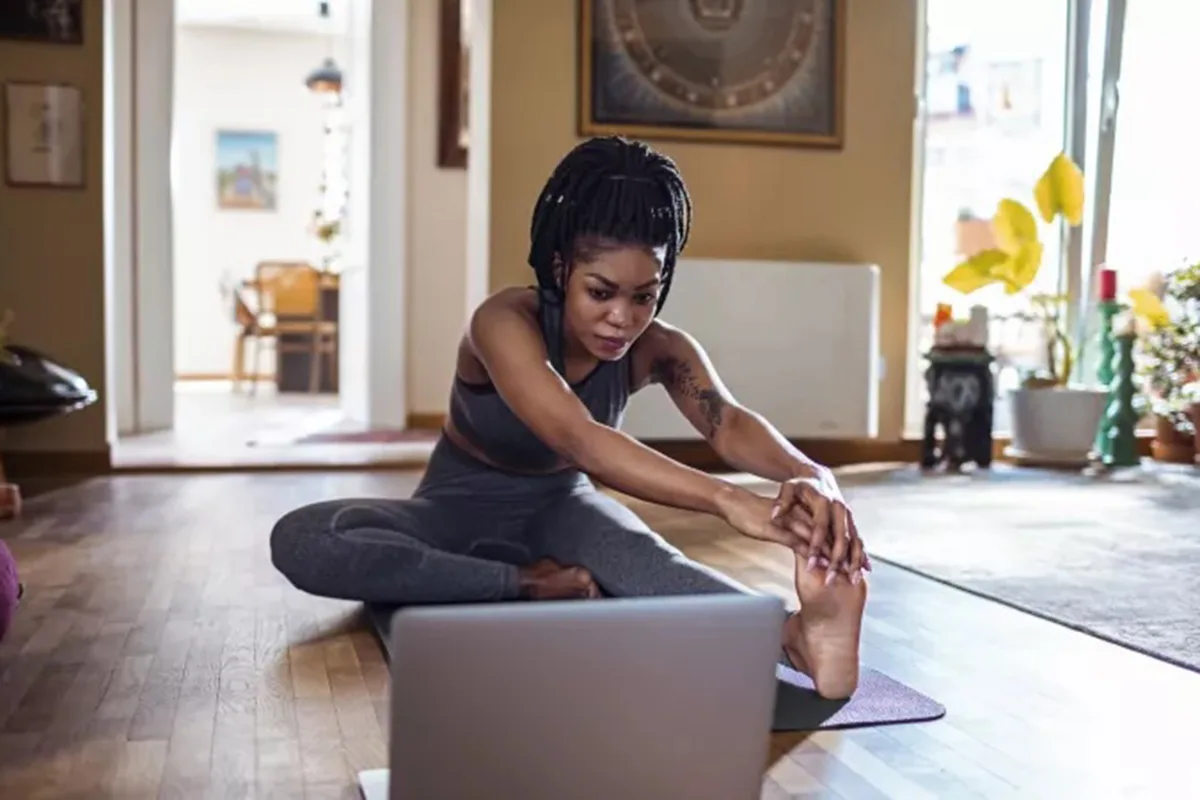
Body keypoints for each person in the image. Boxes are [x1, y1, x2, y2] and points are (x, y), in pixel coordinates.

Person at [270, 136, 869, 699]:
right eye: (601, 292)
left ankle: (795, 637)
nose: (622, 318)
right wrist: (728, 500)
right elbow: (579, 436)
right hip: (453, 512)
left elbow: (727, 422)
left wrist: (811, 472)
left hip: (564, 514)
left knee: (651, 563)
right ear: (561, 271)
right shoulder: (503, 323)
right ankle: (524, 583)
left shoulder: (660, 348)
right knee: (306, 538)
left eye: (644, 295)